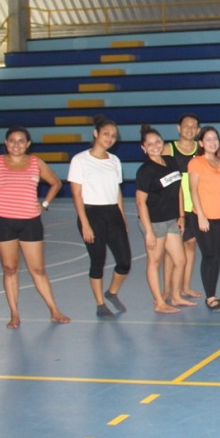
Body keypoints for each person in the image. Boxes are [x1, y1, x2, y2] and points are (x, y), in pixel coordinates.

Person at [0, 126, 69, 328]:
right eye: (12, 140)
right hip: (2, 223)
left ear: (28, 144)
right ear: (6, 143)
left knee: (37, 269)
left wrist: (44, 204)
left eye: (21, 141)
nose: (16, 144)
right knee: (10, 268)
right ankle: (14, 314)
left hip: (30, 222)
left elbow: (55, 183)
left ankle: (54, 311)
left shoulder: (35, 163)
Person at [68, 115, 131, 318]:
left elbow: (117, 191)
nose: (110, 138)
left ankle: (111, 292)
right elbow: (77, 194)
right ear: (96, 134)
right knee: (98, 260)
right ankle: (100, 303)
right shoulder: (80, 160)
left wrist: (122, 217)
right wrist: (85, 224)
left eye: (113, 136)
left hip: (112, 212)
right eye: (106, 134)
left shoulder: (115, 161)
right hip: (91, 213)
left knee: (124, 261)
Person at [135, 124, 193, 313]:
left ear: (162, 143)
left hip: (171, 220)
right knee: (155, 262)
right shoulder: (145, 170)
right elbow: (140, 203)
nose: (154, 146)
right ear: (143, 148)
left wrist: (181, 215)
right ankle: (159, 302)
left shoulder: (170, 161)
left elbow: (178, 190)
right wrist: (149, 231)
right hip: (154, 222)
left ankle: (175, 296)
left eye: (157, 142)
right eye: (149, 144)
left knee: (180, 260)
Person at [188, 126, 220, 312]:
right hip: (203, 217)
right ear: (200, 143)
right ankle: (210, 296)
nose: (213, 142)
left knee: (216, 256)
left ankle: (212, 293)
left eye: (215, 138)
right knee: (209, 256)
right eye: (208, 139)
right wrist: (201, 216)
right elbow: (193, 190)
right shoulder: (196, 163)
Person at [162, 113, 202, 302]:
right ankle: (168, 289)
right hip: (174, 206)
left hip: (195, 206)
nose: (189, 129)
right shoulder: (168, 149)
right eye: (186, 126)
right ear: (179, 128)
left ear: (198, 130)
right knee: (172, 250)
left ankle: (185, 286)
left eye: (193, 126)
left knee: (191, 245)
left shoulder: (201, 150)